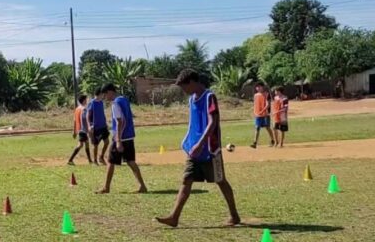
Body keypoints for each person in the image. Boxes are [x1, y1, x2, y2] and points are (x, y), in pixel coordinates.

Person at [155, 70, 240, 228]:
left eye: (184, 87)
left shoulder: (209, 97)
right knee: (186, 180)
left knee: (220, 181)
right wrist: (190, 143)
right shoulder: (191, 100)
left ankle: (234, 215)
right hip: (193, 150)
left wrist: (200, 143)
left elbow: (212, 122)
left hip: (210, 150)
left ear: (193, 82)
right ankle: (174, 217)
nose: (183, 90)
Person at [97, 84, 147, 193]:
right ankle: (142, 186)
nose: (105, 97)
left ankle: (106, 187)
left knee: (110, 161)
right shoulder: (123, 99)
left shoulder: (115, 103)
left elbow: (121, 121)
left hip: (120, 137)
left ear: (110, 92)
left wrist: (118, 140)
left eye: (105, 94)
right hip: (129, 136)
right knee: (131, 161)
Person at [86, 87, 110, 165]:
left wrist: (105, 123)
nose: (103, 95)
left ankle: (101, 157)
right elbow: (88, 115)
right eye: (103, 94)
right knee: (95, 145)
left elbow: (102, 113)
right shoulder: (92, 103)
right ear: (99, 94)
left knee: (107, 142)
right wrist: (89, 125)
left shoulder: (101, 102)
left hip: (103, 126)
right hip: (96, 127)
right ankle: (95, 161)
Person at [68, 94, 92, 165]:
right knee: (81, 145)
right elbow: (84, 119)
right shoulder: (84, 109)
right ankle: (70, 160)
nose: (87, 100)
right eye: (86, 99)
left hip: (79, 129)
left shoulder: (77, 109)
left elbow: (75, 121)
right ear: (84, 100)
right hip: (83, 129)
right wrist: (87, 130)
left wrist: (74, 131)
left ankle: (90, 160)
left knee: (86, 144)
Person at [250, 82, 275, 148]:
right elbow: (255, 104)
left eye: (259, 86)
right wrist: (255, 112)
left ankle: (272, 140)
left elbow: (268, 104)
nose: (257, 88)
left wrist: (262, 111)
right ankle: (255, 142)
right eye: (257, 87)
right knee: (257, 127)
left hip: (265, 114)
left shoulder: (266, 94)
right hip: (258, 115)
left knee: (267, 127)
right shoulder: (255, 95)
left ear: (262, 87)